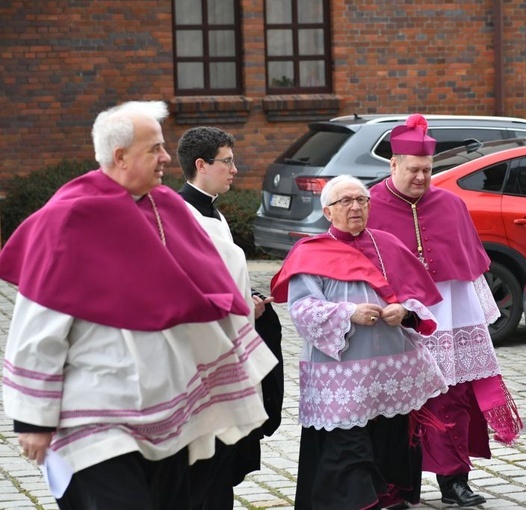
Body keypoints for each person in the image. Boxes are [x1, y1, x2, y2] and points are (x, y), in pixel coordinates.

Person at [0, 101, 277, 510]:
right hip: (95, 413)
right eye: (155, 149)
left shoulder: (167, 208)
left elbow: (214, 281)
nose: (166, 157)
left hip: (167, 412)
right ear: (120, 156)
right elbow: (37, 325)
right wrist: (34, 420)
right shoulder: (68, 219)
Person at [367, 113, 522, 507]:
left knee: (451, 399)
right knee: (394, 403)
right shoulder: (368, 205)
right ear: (394, 164)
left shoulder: (451, 204)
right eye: (414, 170)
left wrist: (479, 318)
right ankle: (394, 486)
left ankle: (454, 482)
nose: (421, 178)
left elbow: (469, 271)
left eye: (428, 170)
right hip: (393, 318)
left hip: (449, 315)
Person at [270, 174, 449, 510]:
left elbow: (417, 299)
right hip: (342, 375)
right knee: (348, 450)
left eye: (361, 200)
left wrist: (404, 311)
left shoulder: (389, 245)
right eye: (345, 201)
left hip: (391, 369)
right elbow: (302, 309)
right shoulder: (309, 253)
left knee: (390, 440)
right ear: (328, 212)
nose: (355, 207)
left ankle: (388, 497)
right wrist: (347, 313)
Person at [176, 126, 284, 509]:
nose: (235, 169)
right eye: (227, 161)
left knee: (221, 460)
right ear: (202, 165)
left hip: (231, 350)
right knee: (203, 461)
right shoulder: (181, 216)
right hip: (201, 358)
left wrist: (247, 301)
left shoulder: (214, 211)